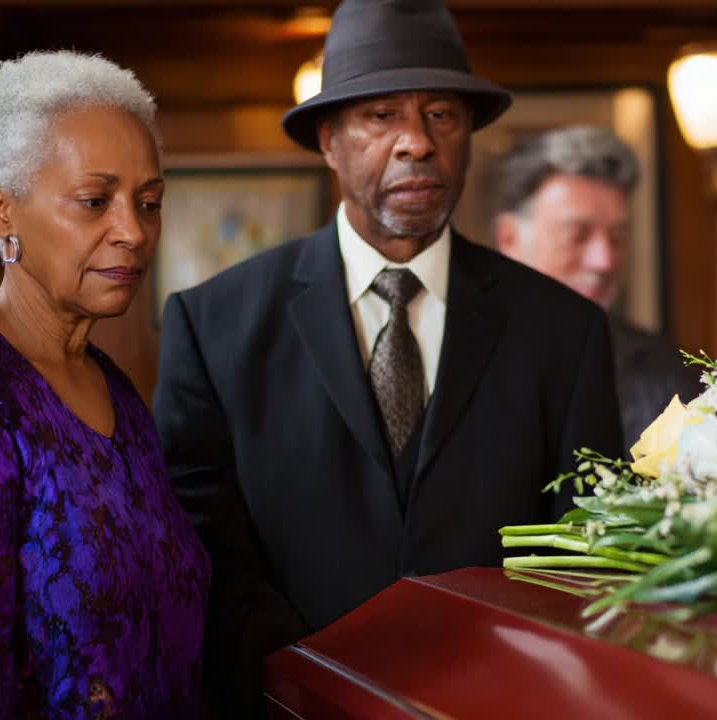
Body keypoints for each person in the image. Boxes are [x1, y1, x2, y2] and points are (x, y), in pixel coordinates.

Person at [152, 0, 623, 715]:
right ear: (327, 138)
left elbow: (585, 552)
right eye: (381, 117)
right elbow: (198, 553)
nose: (417, 142)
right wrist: (304, 681)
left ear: (467, 137)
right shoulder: (213, 323)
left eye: (442, 115)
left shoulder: (564, 331)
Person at [0, 51, 208, 718]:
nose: (133, 231)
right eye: (95, 202)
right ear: (3, 212)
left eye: (149, 203)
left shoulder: (113, 386)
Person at [493, 126, 697, 445]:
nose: (604, 261)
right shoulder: (460, 358)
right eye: (577, 235)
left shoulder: (662, 368)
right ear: (509, 238)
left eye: (617, 237)